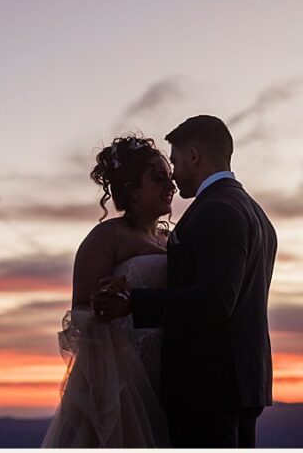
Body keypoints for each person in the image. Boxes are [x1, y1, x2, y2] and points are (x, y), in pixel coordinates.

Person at [92, 115, 279, 448]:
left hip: (207, 386)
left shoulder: (217, 209)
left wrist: (134, 303)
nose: (175, 177)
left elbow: (215, 301)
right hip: (239, 383)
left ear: (194, 156)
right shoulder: (253, 211)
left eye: (175, 162)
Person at [41, 135, 174, 447]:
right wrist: (105, 305)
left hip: (168, 371)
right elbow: (81, 310)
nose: (171, 185)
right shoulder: (106, 237)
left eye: (169, 176)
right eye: (158, 178)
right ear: (131, 189)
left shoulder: (170, 240)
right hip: (124, 379)